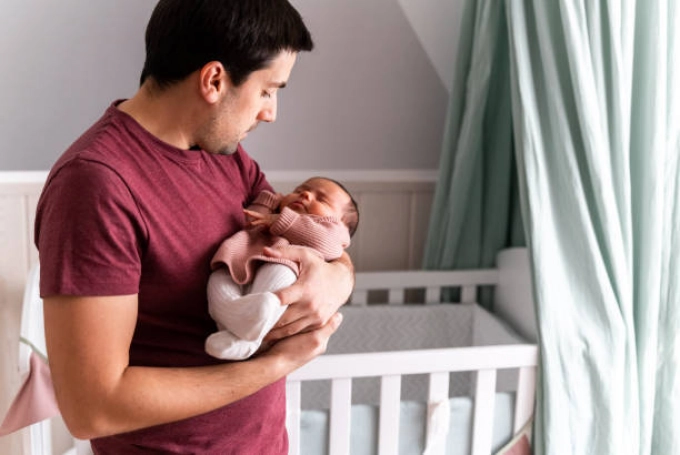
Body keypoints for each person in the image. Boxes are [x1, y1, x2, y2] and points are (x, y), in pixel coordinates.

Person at [33, 1, 354, 454]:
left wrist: (338, 276)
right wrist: (277, 364)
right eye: (267, 90)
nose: (270, 112)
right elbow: (92, 407)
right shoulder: (96, 185)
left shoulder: (222, 155)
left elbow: (311, 230)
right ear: (214, 80)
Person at [206, 177, 359, 360]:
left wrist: (281, 220)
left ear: (342, 225)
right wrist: (268, 203)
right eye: (300, 189)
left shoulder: (332, 231)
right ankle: (233, 329)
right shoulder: (275, 213)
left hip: (284, 265)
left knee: (278, 275)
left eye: (322, 199)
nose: (305, 194)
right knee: (218, 279)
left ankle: (251, 340)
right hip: (241, 262)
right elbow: (248, 220)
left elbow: (326, 243)